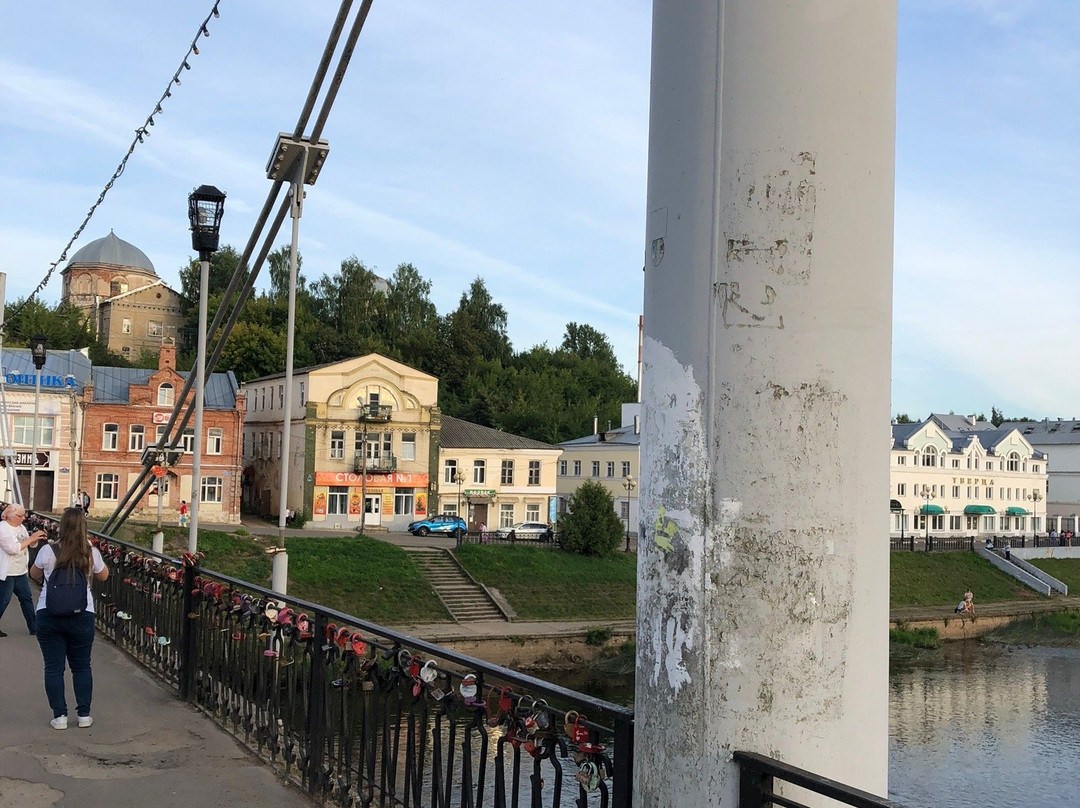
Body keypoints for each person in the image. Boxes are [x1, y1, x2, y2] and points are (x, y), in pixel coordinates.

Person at [29, 507, 108, 730]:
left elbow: (33, 574)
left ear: (61, 527)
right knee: (82, 666)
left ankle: (60, 716)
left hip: (48, 612)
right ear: (84, 528)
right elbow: (104, 575)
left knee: (53, 668)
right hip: (82, 614)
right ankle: (83, 715)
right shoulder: (90, 552)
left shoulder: (48, 551)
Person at [0, 504, 47, 637]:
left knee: (26, 598)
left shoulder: (21, 528)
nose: (23, 518)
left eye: (23, 515)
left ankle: (34, 627)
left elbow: (29, 544)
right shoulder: (2, 528)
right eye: (20, 516)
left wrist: (35, 539)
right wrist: (31, 538)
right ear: (10, 516)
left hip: (20, 571)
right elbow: (12, 549)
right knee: (3, 600)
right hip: (7, 572)